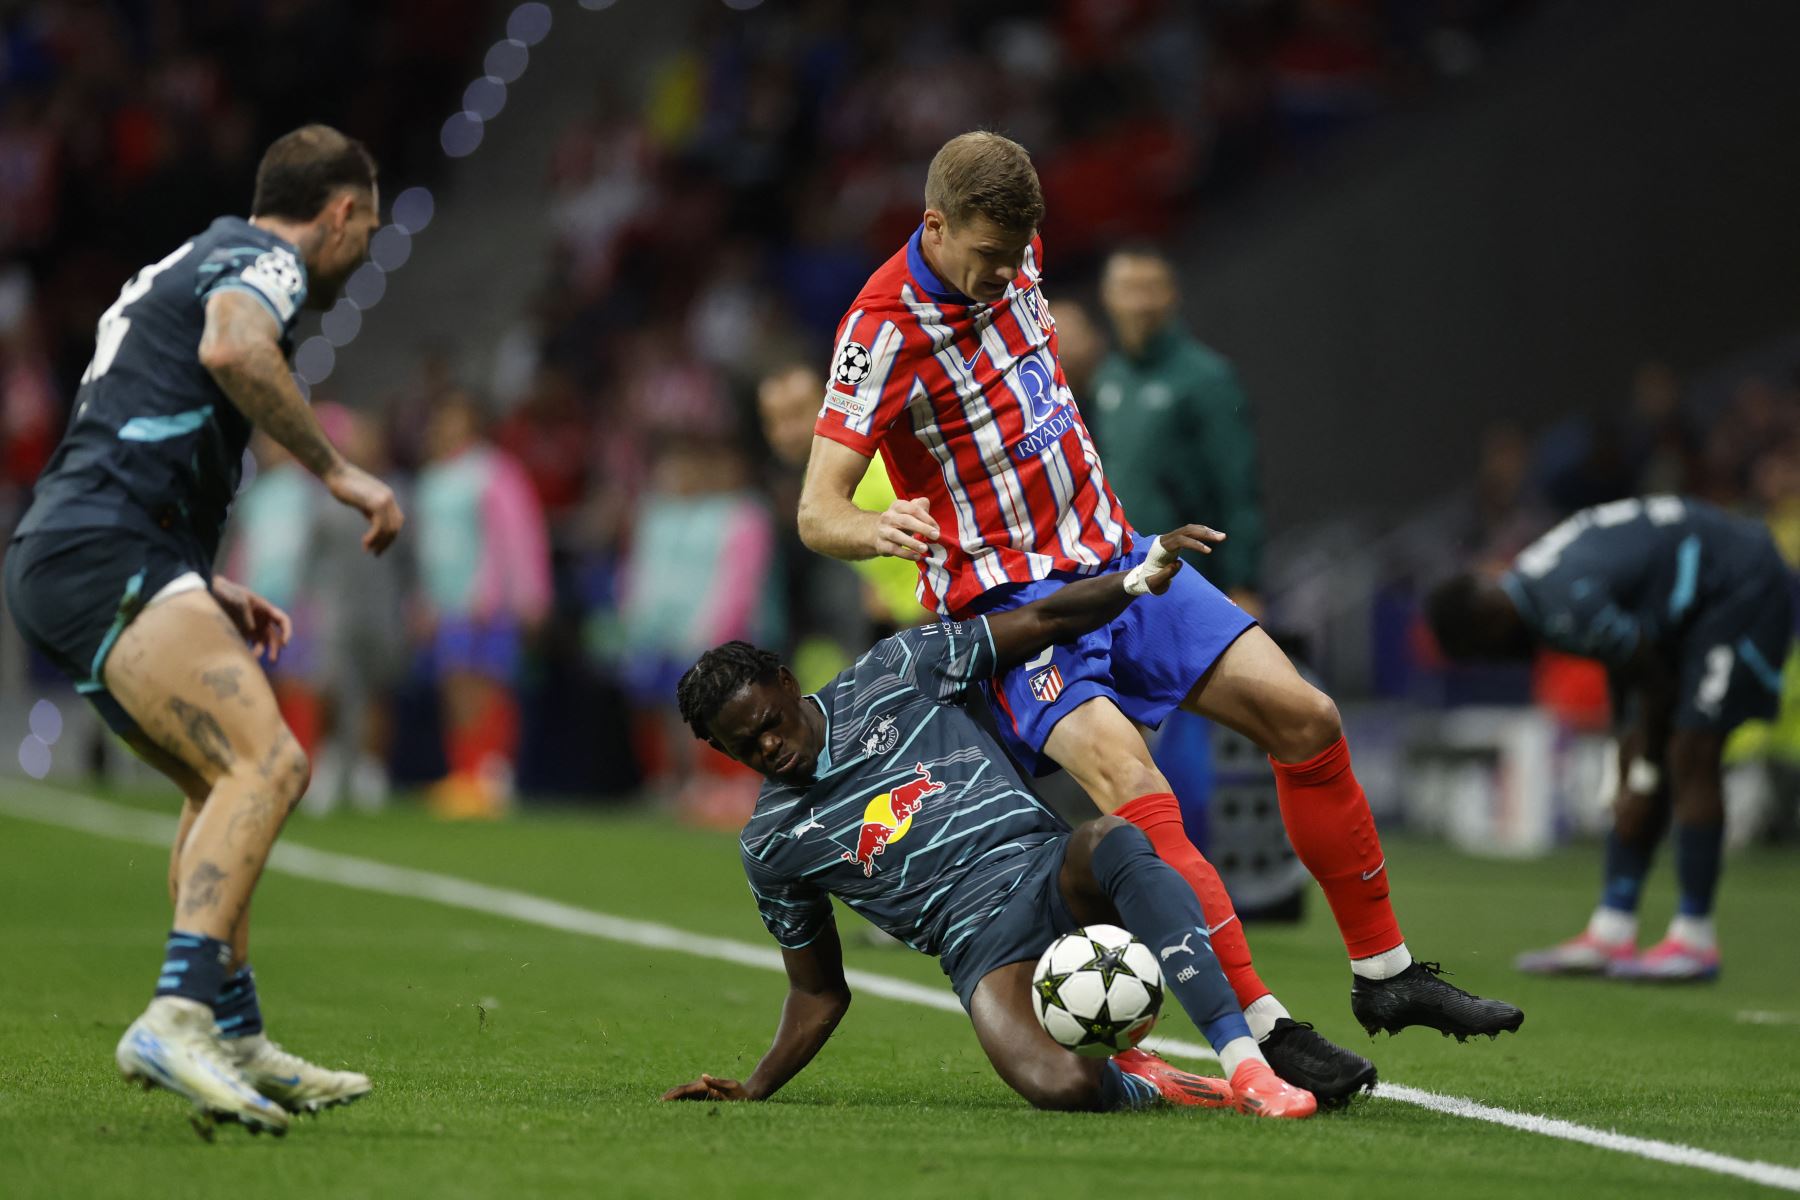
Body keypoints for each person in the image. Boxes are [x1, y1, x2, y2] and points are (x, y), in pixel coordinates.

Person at [794, 131, 1522, 1078]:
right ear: (932, 226)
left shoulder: (1020, 257)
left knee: (1307, 719)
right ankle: (1263, 1029)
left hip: (1122, 562)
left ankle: (1386, 974)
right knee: (1140, 793)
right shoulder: (880, 331)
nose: (1005, 274)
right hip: (1019, 608)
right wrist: (877, 530)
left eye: (1018, 256)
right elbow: (817, 510)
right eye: (985, 257)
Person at [3, 125, 403, 1135]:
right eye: (369, 229)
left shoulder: (177, 261)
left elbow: (135, 414)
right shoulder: (256, 259)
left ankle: (232, 1028)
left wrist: (200, 580)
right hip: (102, 552)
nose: (364, 253)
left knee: (214, 777)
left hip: (91, 548)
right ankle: (176, 1014)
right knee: (268, 764)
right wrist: (339, 470)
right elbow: (233, 348)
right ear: (343, 212)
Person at [663, 527, 1317, 1117]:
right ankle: (1143, 1081)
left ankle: (1246, 1064)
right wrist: (754, 1086)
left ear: (784, 682)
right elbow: (818, 994)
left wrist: (1136, 578)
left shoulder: (896, 670)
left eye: (769, 726)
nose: (768, 749)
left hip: (1049, 871)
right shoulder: (773, 843)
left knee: (1115, 838)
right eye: (746, 748)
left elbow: (1041, 617)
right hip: (982, 950)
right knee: (1063, 1088)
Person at [1427, 495, 1795, 981]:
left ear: (1489, 624)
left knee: (1692, 749)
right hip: (1691, 600)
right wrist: (1632, 761)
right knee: (1651, 757)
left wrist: (1640, 772)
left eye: (1484, 653)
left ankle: (1695, 938)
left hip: (1739, 585)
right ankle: (1613, 929)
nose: (1496, 663)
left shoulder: (1560, 603)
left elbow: (1654, 681)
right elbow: (1630, 668)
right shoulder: (1537, 591)